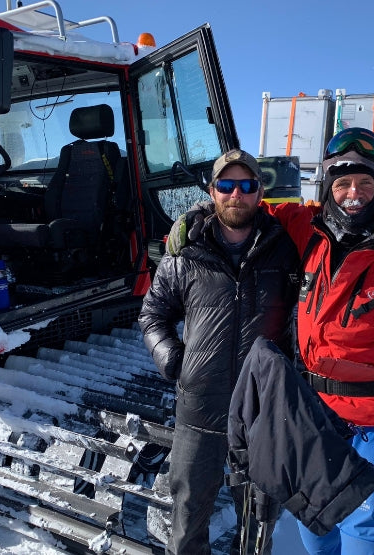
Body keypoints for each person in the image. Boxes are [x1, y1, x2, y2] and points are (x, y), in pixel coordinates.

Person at [169, 128, 374, 554]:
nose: (353, 194)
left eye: (365, 182)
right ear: (328, 187)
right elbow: (244, 208)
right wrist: (197, 218)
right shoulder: (307, 228)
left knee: (367, 539)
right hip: (310, 419)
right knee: (316, 533)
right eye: (342, 183)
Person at [138, 148, 300, 555]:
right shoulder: (187, 252)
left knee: (259, 521)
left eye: (246, 186)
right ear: (212, 191)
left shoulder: (285, 250)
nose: (236, 195)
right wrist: (173, 359)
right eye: (226, 185)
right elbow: (152, 313)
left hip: (262, 412)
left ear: (260, 192)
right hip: (198, 413)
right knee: (188, 519)